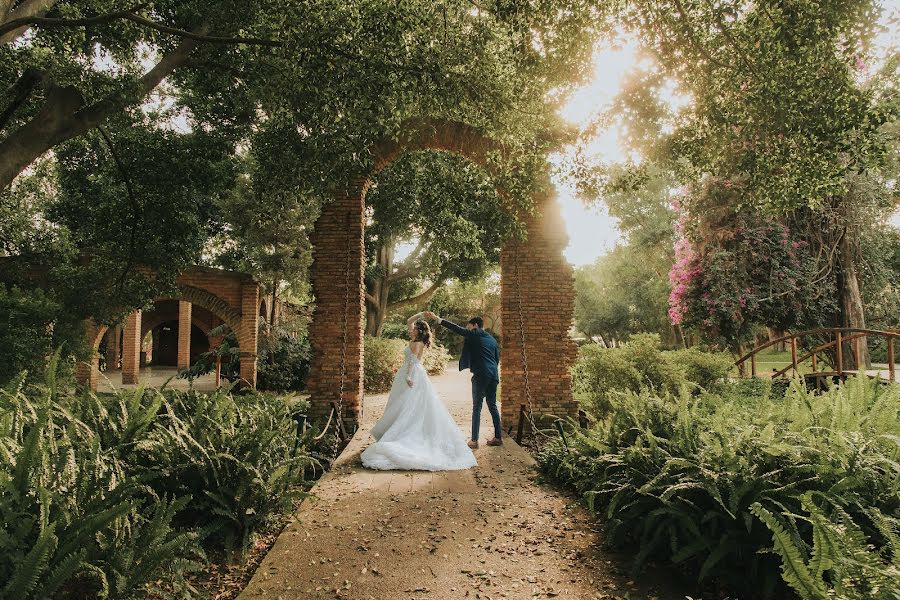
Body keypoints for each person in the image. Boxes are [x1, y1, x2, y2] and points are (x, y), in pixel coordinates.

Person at [360, 312, 477, 471]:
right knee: (402, 402)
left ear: (419, 331)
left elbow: (413, 362)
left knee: (409, 403)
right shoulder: (417, 340)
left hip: (412, 374)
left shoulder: (416, 343)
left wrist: (407, 376)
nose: (411, 328)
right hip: (410, 372)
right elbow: (409, 320)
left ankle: (403, 432)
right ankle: (395, 429)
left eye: (415, 328)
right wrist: (423, 314)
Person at [424, 312, 501, 449]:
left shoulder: (475, 333)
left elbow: (456, 328)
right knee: (492, 405)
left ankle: (474, 440)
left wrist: (438, 319)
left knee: (477, 406)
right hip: (493, 374)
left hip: (481, 374)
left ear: (475, 326)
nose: (468, 329)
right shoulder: (492, 339)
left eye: (469, 327)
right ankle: (498, 437)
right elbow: (496, 359)